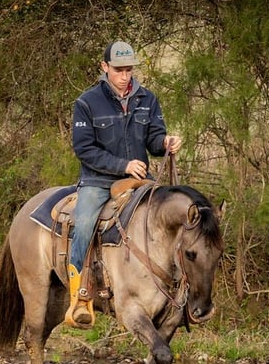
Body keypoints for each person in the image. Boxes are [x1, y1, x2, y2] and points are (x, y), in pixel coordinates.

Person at [65, 41, 182, 328]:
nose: (125, 76)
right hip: (98, 180)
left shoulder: (148, 99)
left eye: (129, 70)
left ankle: (177, 291)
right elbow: (84, 149)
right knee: (82, 223)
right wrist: (122, 165)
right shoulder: (86, 102)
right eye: (119, 70)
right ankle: (79, 296)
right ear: (104, 67)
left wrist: (165, 142)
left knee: (171, 219)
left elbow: (155, 138)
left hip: (140, 181)